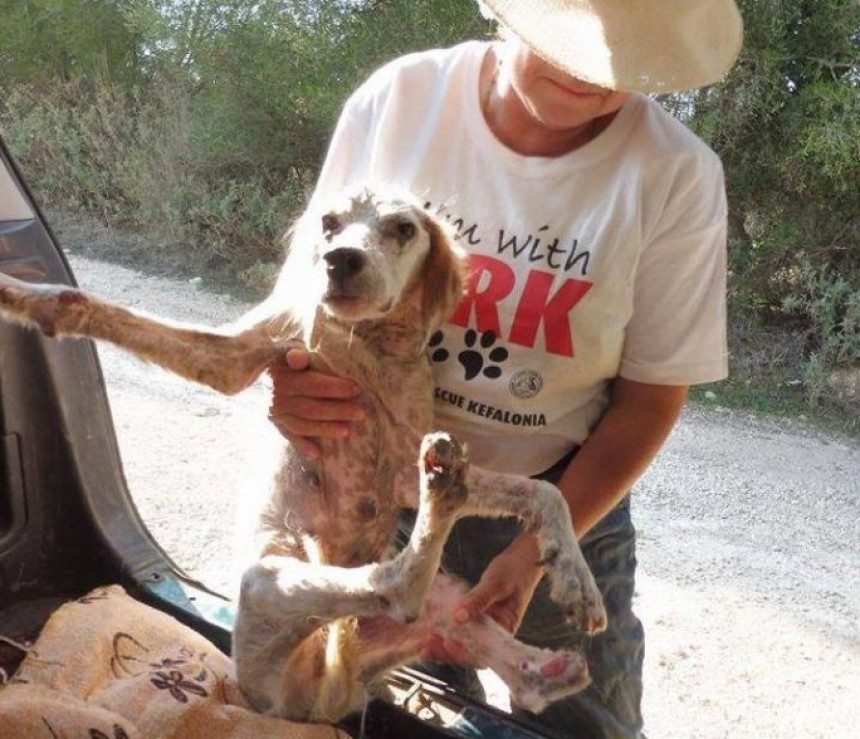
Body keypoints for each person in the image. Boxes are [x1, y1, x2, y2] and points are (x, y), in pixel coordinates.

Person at [267, 1, 744, 736]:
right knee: (388, 706)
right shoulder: (401, 102)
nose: (590, 69)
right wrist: (288, 377)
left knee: (582, 722)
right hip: (383, 485)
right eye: (572, 38)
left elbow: (648, 403)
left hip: (556, 492)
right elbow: (307, 293)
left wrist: (534, 551)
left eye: (620, 50)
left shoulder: (675, 174)